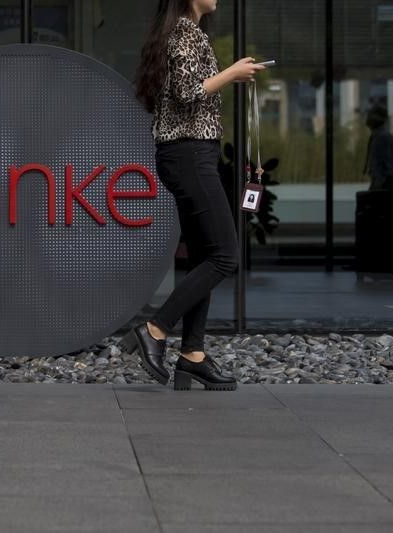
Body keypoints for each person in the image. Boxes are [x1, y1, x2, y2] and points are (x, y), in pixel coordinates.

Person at [125, 0, 265, 391]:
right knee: (225, 255)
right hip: (189, 153)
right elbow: (189, 93)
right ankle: (155, 330)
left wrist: (229, 73)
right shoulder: (185, 33)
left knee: (205, 256)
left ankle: (193, 356)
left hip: (188, 153)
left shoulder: (185, 32)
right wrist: (232, 73)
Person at [362, 105, 393, 192]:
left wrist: (379, 183)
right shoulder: (376, 136)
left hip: (383, 184)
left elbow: (389, 165)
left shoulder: (383, 137)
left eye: (371, 114)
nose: (368, 117)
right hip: (379, 183)